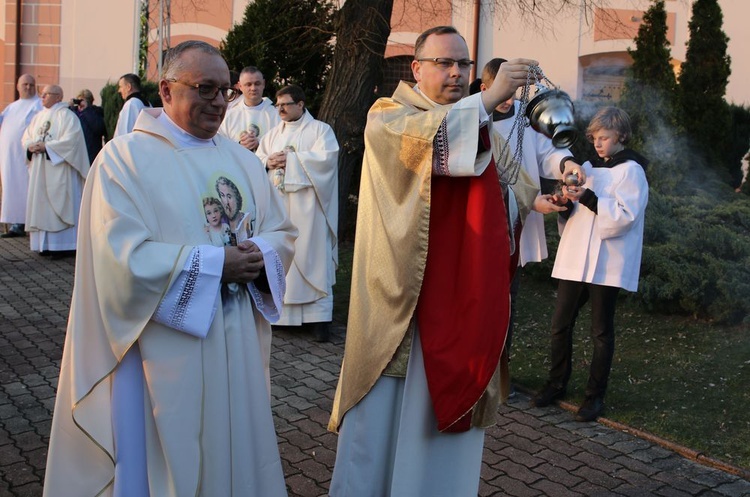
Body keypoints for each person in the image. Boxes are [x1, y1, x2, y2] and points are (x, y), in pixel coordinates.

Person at [328, 26, 578, 495]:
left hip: (460, 299)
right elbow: (427, 143)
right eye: (444, 63)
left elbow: (513, 184)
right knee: (383, 422)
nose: (456, 73)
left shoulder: (476, 119)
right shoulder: (389, 115)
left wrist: (542, 195)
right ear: (416, 68)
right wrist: (489, 99)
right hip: (401, 304)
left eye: (463, 64)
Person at [42, 40, 297, 497]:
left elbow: (281, 230)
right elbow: (118, 259)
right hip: (164, 351)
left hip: (235, 337)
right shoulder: (123, 162)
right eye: (205, 89)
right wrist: (218, 264)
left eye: (225, 91)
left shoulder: (242, 160)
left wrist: (260, 255)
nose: (219, 102)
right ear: (165, 89)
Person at [531, 106, 649, 422]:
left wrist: (586, 197)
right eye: (595, 138)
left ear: (621, 136)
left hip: (607, 264)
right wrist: (563, 200)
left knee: (600, 332)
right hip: (576, 258)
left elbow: (624, 217)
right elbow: (571, 207)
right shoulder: (586, 166)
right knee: (560, 324)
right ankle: (556, 383)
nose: (598, 145)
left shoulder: (632, 171)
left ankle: (594, 398)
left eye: (605, 138)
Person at [480, 57, 571, 389]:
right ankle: (476, 369)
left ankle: (501, 375)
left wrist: (568, 163)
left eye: (515, 92)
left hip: (518, 222)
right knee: (480, 299)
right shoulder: (473, 119)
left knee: (508, 299)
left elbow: (548, 153)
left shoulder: (524, 116)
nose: (509, 99)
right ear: (484, 89)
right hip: (482, 223)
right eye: (502, 91)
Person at [256, 85, 339, 342]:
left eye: (286, 104)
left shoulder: (320, 131)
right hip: (280, 208)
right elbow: (258, 159)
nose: (280, 109)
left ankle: (318, 319)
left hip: (309, 210)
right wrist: (268, 162)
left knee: (312, 256)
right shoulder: (271, 135)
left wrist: (291, 160)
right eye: (278, 105)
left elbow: (327, 160)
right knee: (283, 259)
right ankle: (284, 318)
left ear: (301, 104)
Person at [21, 85, 89, 257]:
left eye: (46, 94)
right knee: (41, 204)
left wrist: (47, 147)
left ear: (58, 97)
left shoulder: (67, 116)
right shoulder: (38, 117)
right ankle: (43, 245)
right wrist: (31, 146)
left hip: (59, 170)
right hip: (40, 169)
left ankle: (63, 245)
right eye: (41, 94)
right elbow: (26, 137)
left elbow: (72, 141)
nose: (42, 97)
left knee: (59, 204)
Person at [0, 74, 43, 238]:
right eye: (25, 84)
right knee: (11, 188)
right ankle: (13, 222)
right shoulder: (12, 107)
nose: (28, 87)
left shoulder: (38, 105)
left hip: (25, 157)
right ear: (18, 86)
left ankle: (25, 222)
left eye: (31, 84)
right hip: (9, 157)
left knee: (25, 187)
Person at [219, 66, 280, 152]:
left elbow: (282, 144)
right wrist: (239, 145)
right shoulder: (229, 116)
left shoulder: (276, 115)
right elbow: (220, 145)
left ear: (263, 84)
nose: (253, 88)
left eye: (257, 83)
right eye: (248, 84)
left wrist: (260, 145)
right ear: (240, 86)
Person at [70, 88, 107, 163]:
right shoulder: (73, 113)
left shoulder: (96, 112)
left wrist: (87, 110)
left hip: (91, 152)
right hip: (76, 153)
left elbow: (99, 128)